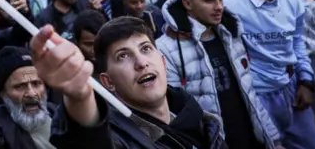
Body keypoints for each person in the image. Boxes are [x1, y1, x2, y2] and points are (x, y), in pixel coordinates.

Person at [31, 18, 226, 149]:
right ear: (108, 82)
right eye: (123, 56)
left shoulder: (206, 123)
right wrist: (79, 96)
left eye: (146, 48)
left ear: (163, 61)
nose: (141, 63)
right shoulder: (117, 140)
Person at [157, 0, 280, 148]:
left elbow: (251, 96)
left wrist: (273, 139)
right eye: (209, 0)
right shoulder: (165, 49)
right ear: (187, 4)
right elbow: (174, 113)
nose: (219, 6)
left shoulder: (231, 35)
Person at [224, 0, 315, 149]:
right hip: (256, 97)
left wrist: (306, 80)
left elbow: (297, 44)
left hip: (292, 90)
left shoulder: (293, 2)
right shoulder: (229, 6)